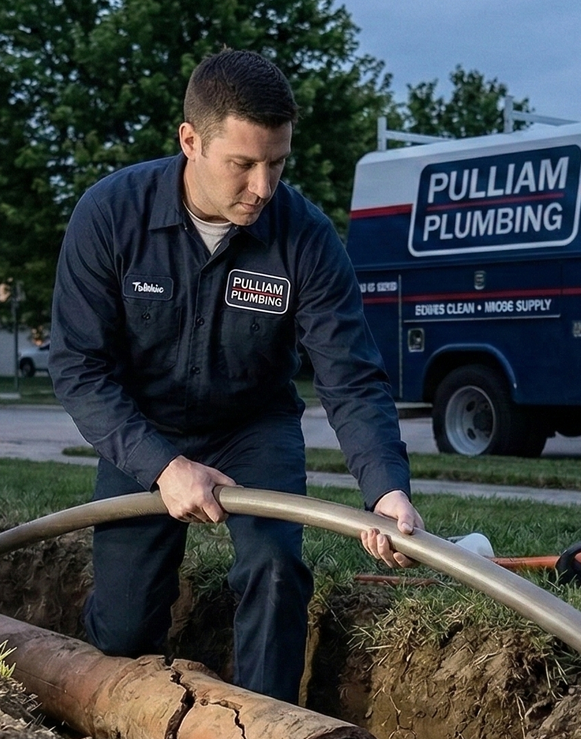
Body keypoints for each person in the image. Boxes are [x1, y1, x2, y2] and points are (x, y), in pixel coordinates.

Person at [49, 49, 420, 704]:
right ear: (190, 141)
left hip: (254, 427)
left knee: (275, 569)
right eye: (242, 165)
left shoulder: (304, 237)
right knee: (126, 619)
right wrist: (164, 466)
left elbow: (351, 378)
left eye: (277, 163)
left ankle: (262, 737)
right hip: (145, 429)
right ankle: (117, 726)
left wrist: (384, 488)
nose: (263, 187)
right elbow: (80, 370)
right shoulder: (109, 217)